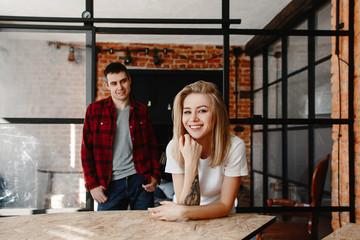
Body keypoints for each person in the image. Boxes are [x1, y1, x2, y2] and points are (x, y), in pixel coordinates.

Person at [148, 80, 248, 221]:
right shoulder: (174, 146)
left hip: (220, 218)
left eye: (202, 110)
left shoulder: (234, 146)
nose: (193, 118)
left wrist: (183, 212)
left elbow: (225, 205)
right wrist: (191, 162)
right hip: (184, 216)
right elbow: (185, 204)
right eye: (187, 112)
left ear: (216, 114)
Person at [81, 62, 161, 211]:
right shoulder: (94, 110)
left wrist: (155, 175)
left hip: (140, 180)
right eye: (114, 83)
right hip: (109, 183)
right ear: (107, 86)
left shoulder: (142, 111)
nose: (120, 87)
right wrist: (92, 185)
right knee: (108, 231)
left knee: (144, 229)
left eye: (123, 81)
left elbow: (152, 146)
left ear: (129, 80)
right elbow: (86, 151)